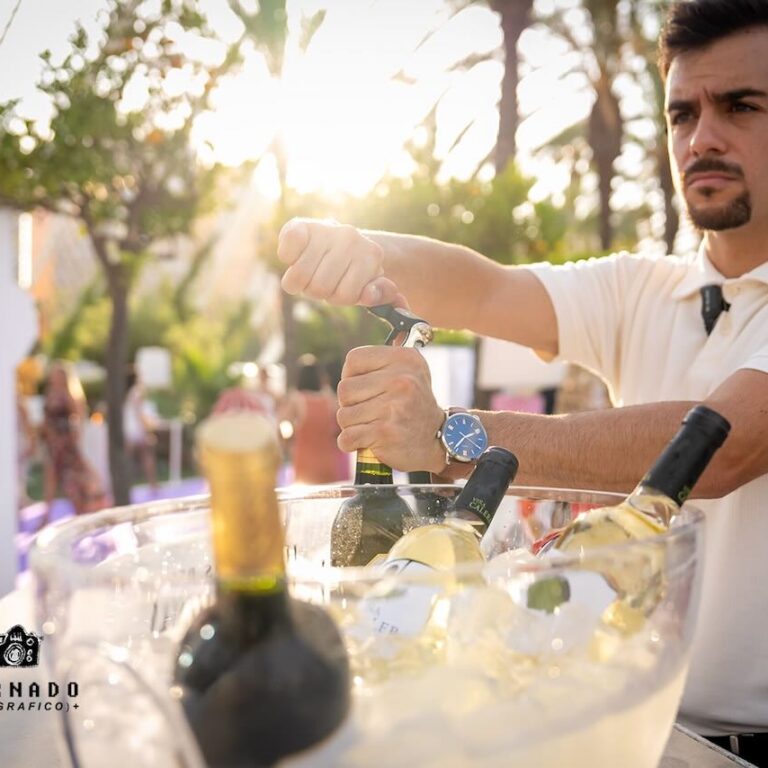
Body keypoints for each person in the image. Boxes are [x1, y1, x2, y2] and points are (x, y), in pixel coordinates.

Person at [276, 1, 768, 763]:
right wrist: (366, 249)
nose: (701, 137)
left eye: (741, 106)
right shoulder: (643, 287)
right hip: (629, 725)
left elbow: (724, 443)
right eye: (682, 113)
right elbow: (486, 289)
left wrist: (448, 439)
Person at [41, 361, 107, 521]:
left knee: (73, 479)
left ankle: (86, 509)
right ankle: (46, 516)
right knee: (51, 477)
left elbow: (78, 418)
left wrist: (74, 439)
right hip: (53, 444)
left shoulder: (70, 395)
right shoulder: (50, 394)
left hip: (66, 443)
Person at [280, 355, 349, 485]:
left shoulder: (296, 399)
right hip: (328, 459)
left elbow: (283, 422)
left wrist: (288, 441)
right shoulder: (330, 399)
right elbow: (341, 426)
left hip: (304, 459)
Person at [123, 367, 159, 491]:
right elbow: (138, 411)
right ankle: (153, 485)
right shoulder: (136, 392)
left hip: (128, 428)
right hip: (136, 429)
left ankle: (126, 485)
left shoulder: (125, 393)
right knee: (146, 456)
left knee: (128, 458)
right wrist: (145, 429)